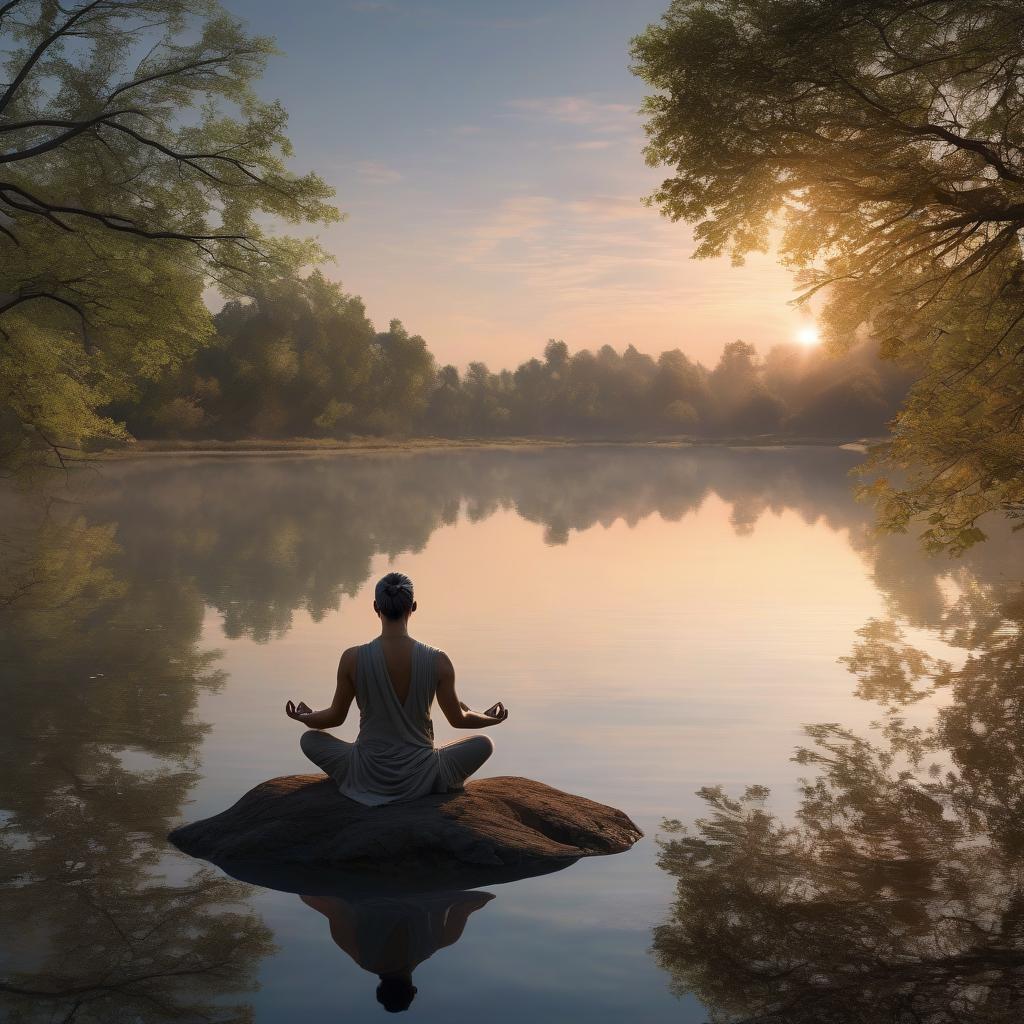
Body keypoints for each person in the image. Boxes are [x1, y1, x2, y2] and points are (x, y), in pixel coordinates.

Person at [285, 571, 509, 806]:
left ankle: (358, 780)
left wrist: (306, 718)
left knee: (308, 740)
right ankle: (436, 783)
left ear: (375, 607)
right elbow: (459, 719)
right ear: (413, 607)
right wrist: (488, 718)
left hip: (365, 771)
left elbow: (335, 717)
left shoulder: (352, 658)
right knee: (484, 743)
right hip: (422, 774)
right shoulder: (438, 660)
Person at [299, 888, 495, 1013]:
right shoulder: (361, 955)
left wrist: (489, 898)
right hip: (369, 892)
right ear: (379, 988)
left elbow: (467, 906)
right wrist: (304, 895)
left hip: (418, 890)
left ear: (413, 989)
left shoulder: (444, 940)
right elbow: (336, 911)